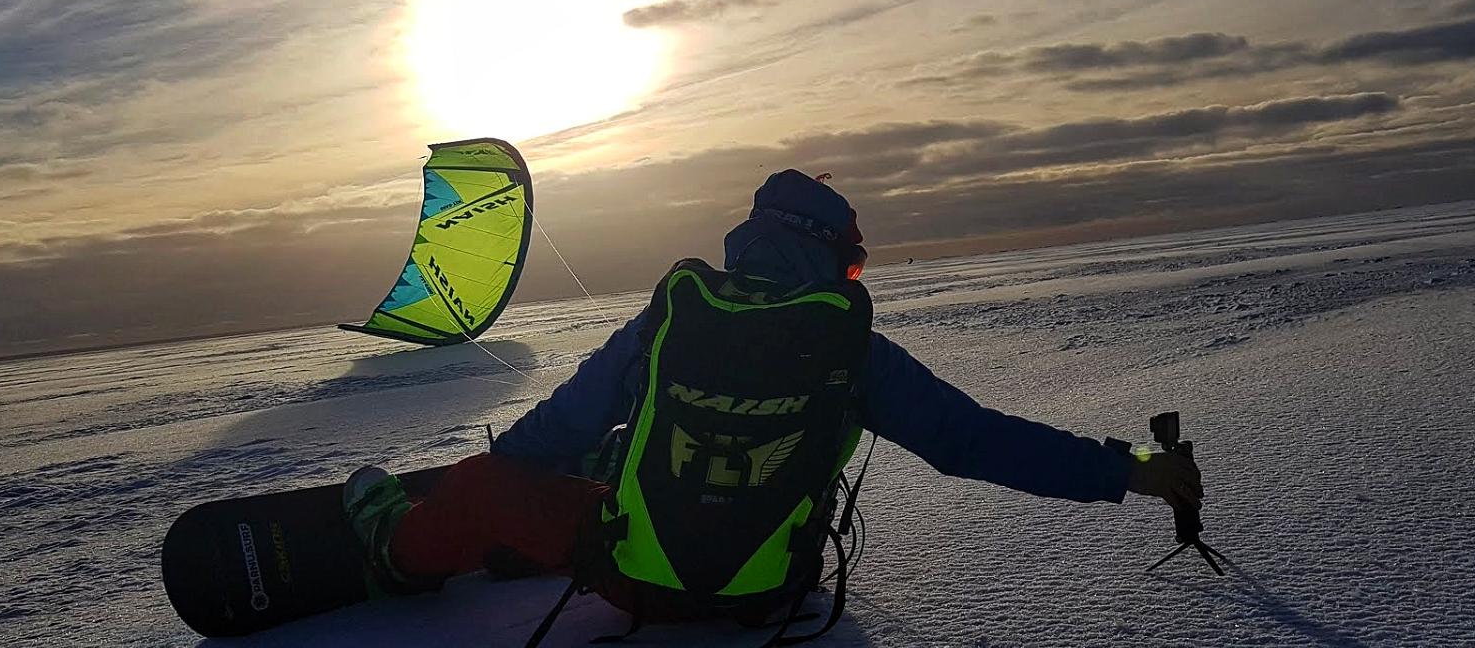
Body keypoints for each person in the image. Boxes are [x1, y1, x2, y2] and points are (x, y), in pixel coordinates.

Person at [343, 169, 1204, 641]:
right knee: (626, 466)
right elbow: (972, 442)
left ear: (751, 239)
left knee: (501, 481)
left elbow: (550, 436)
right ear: (834, 262)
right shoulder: (852, 352)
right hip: (772, 597)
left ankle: (399, 550)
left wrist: (502, 487)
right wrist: (1130, 469)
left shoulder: (669, 323)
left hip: (631, 581)